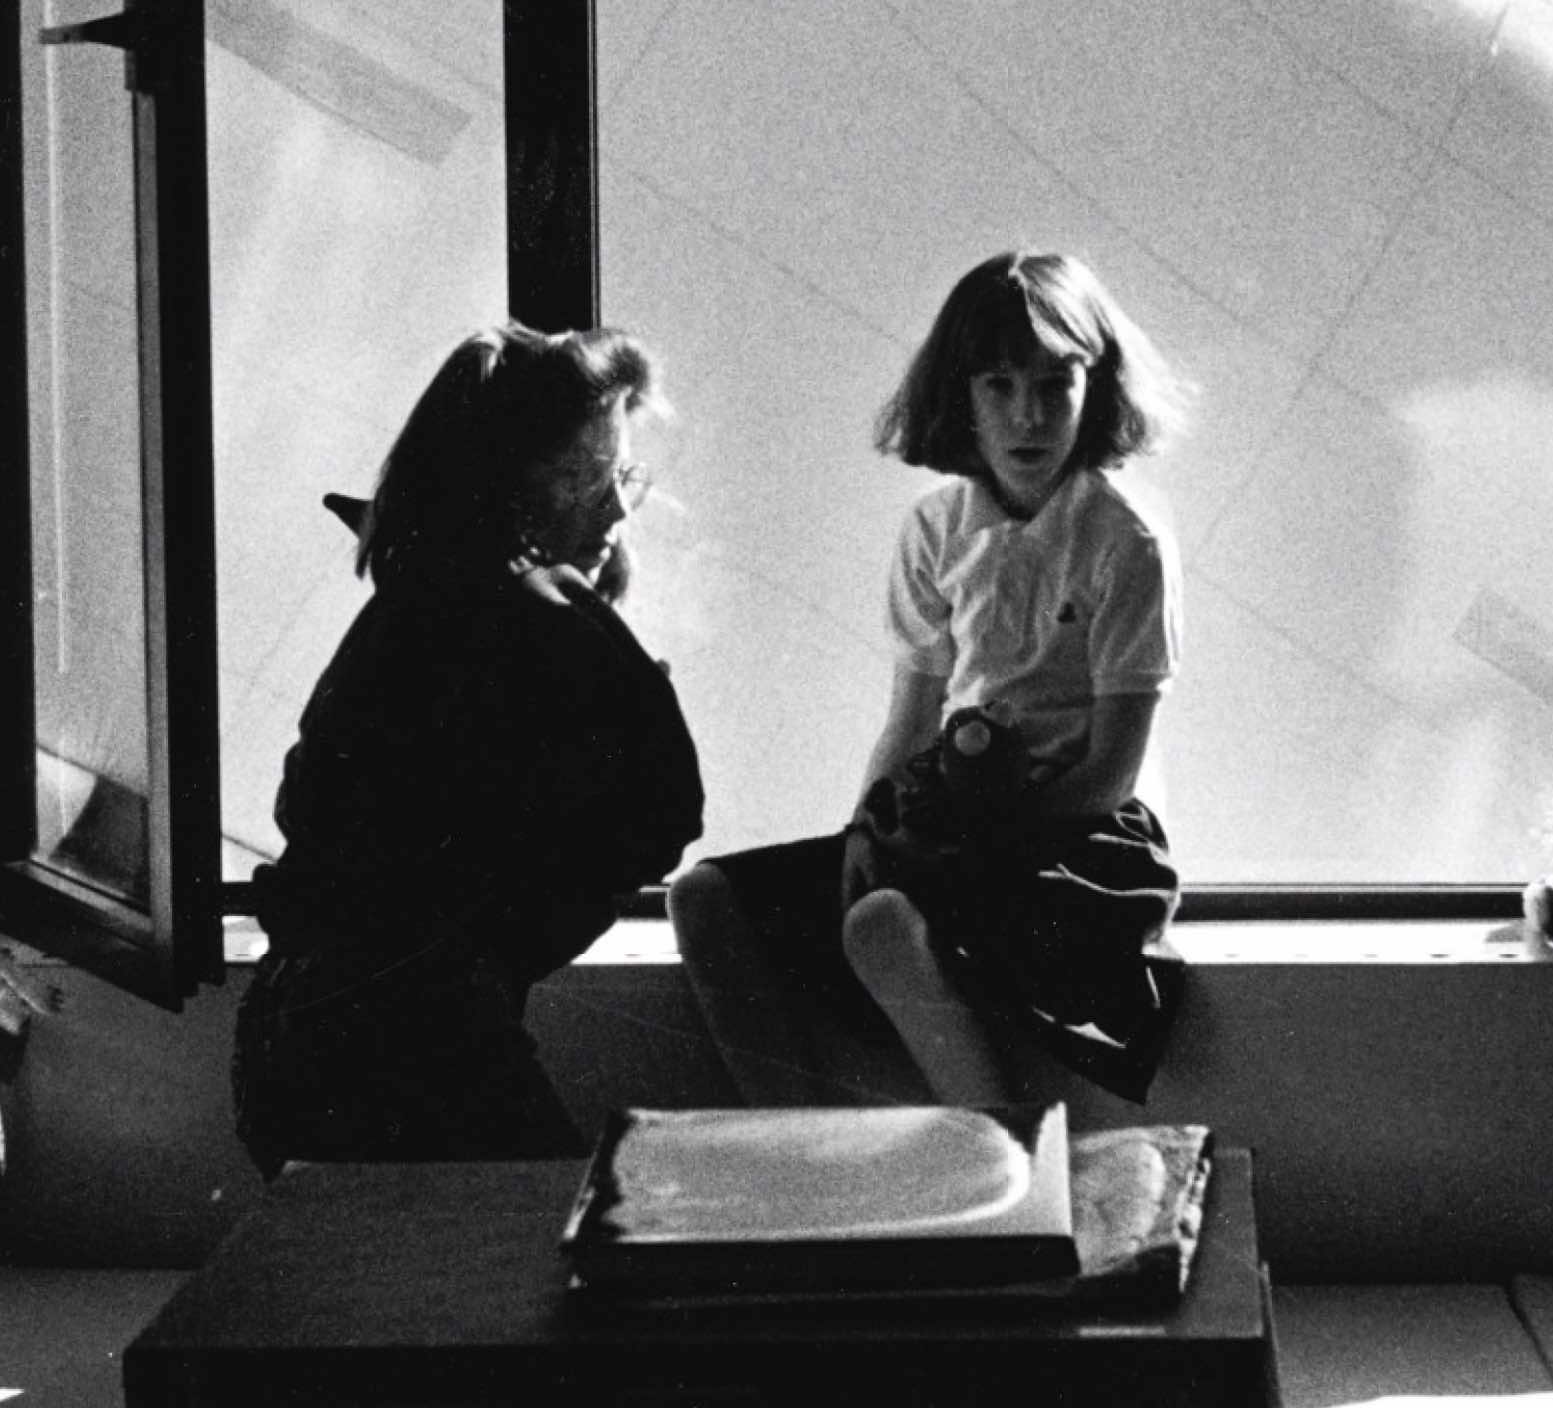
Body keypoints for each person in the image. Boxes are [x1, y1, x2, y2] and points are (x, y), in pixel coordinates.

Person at [672, 250, 1188, 1108]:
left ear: (1095, 387)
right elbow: (911, 719)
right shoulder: (936, 528)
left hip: (1081, 839)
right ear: (961, 394)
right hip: (953, 813)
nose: (1028, 416)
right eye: (998, 385)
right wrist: (867, 832)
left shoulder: (1122, 539)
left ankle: (1004, 1151)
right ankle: (799, 1148)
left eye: (1055, 384)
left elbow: (1110, 773)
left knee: (881, 923)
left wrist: (956, 841)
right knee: (706, 898)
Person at [231, 324, 703, 1172]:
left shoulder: (413, 614)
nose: (617, 510)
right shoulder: (528, 609)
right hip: (405, 1048)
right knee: (547, 1241)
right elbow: (669, 804)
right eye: (581, 477)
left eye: (620, 477)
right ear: (502, 484)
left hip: (299, 1040)